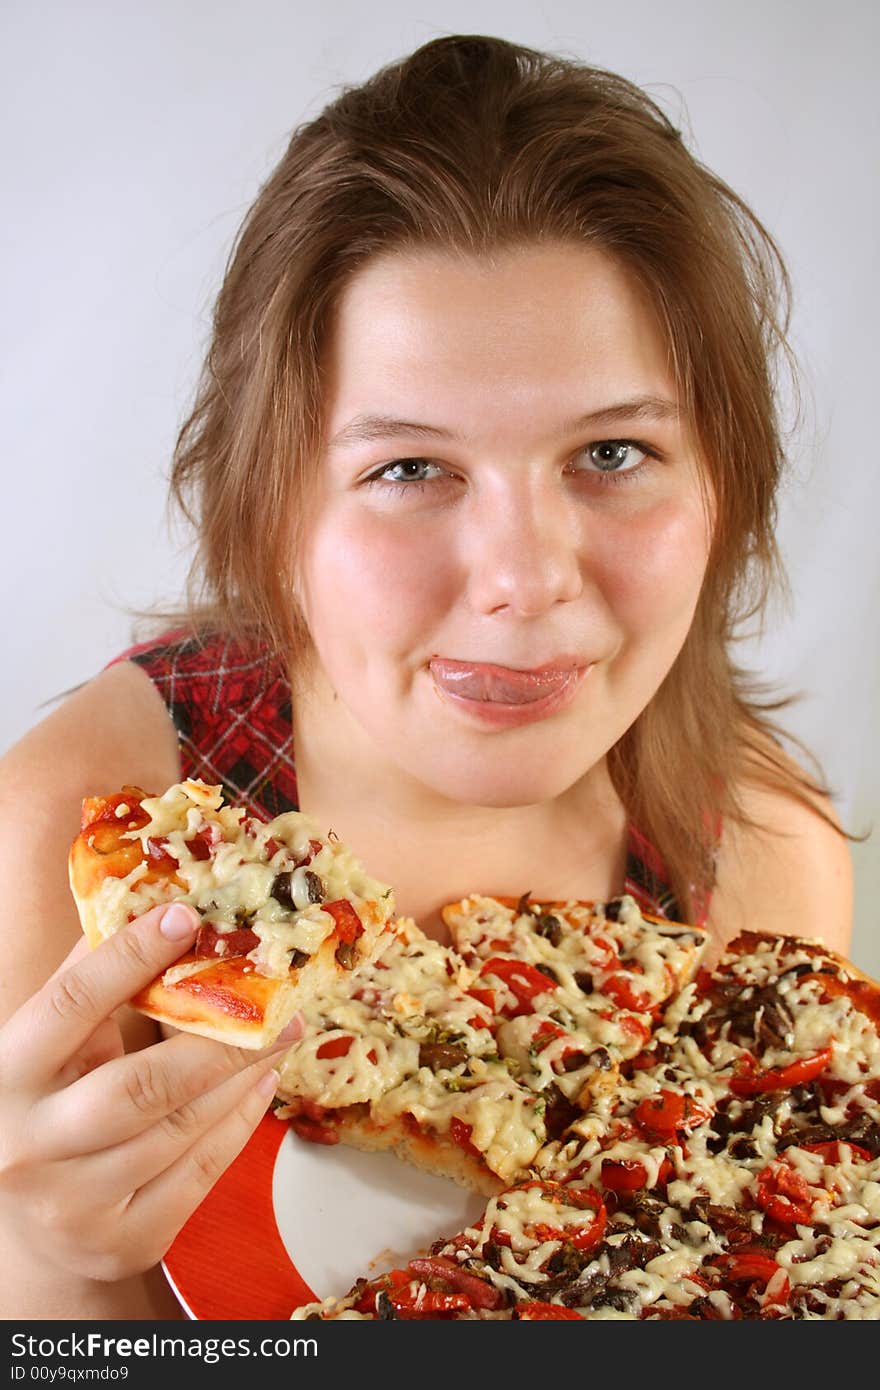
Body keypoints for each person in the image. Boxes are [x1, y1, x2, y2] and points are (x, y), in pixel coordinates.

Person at [0, 33, 856, 1321]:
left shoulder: (759, 867)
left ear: (721, 485)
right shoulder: (83, 842)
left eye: (613, 452)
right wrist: (50, 1275)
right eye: (409, 469)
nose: (523, 577)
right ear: (273, 504)